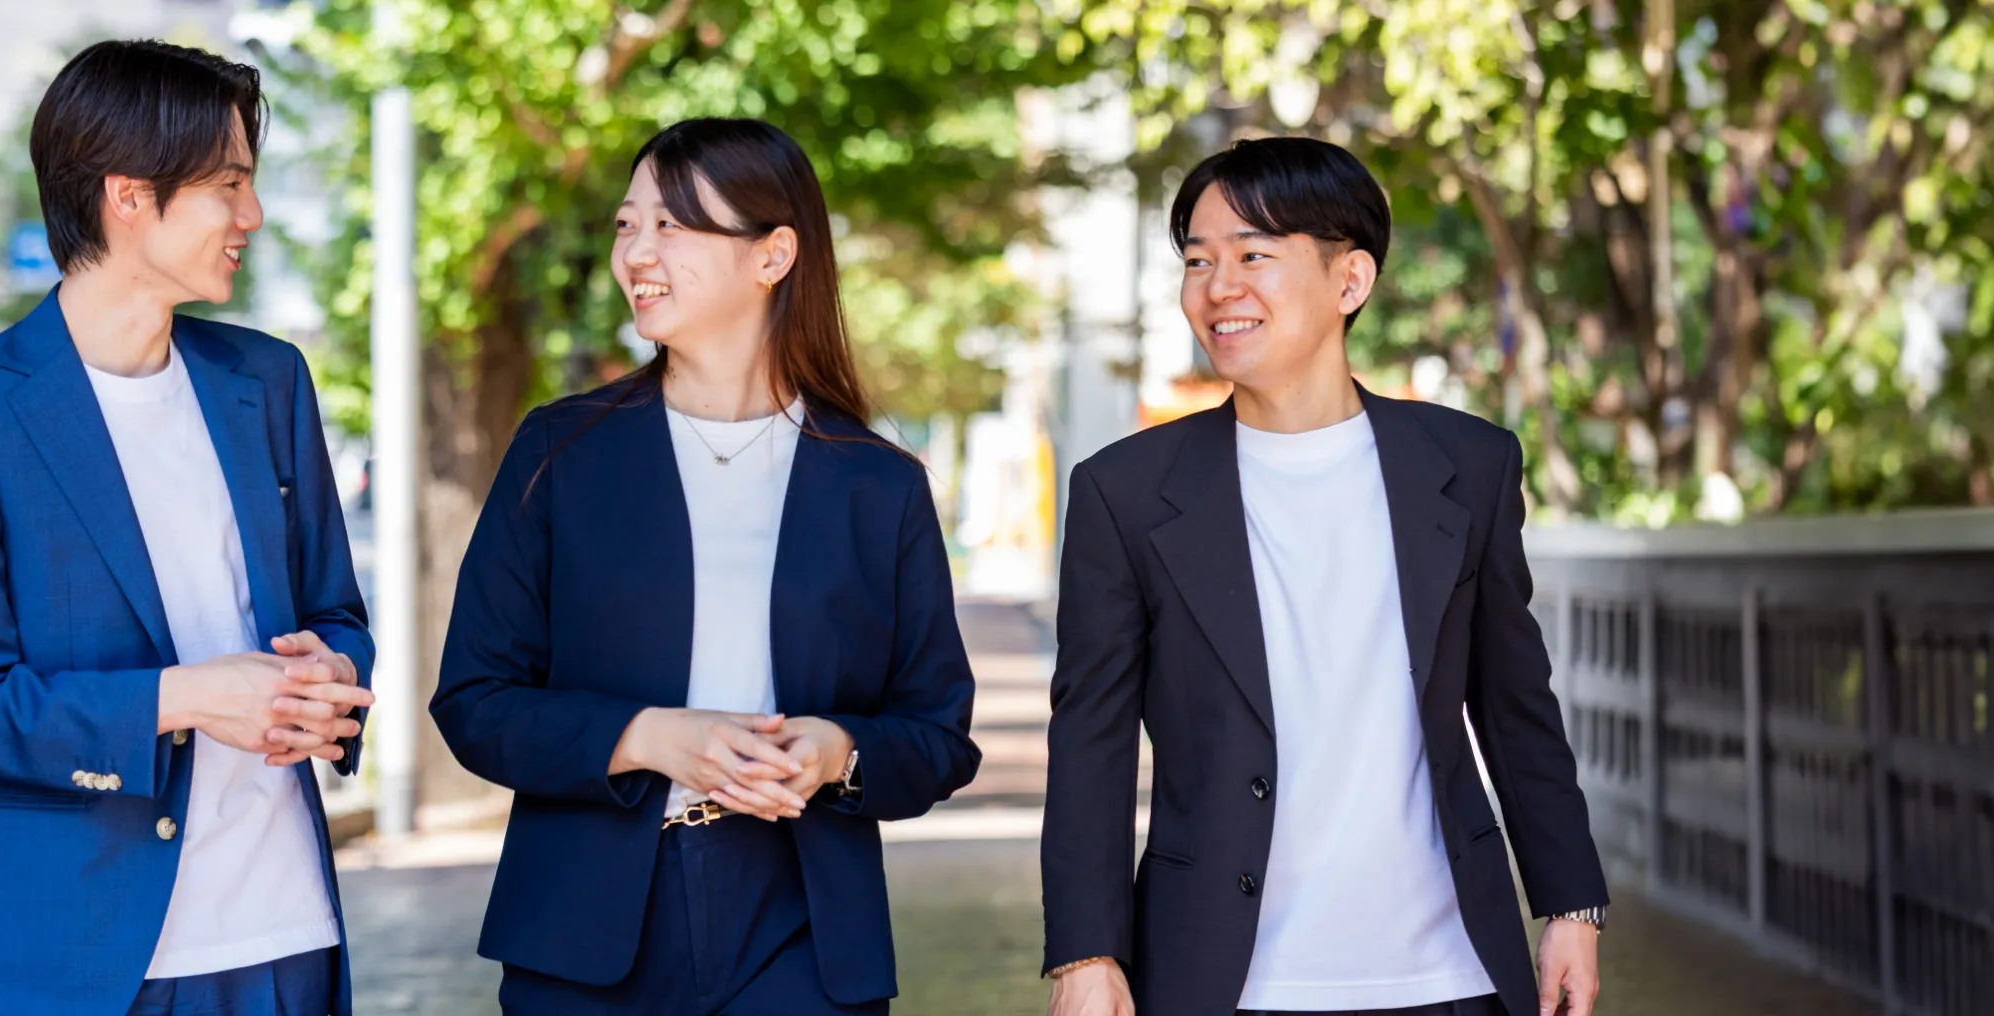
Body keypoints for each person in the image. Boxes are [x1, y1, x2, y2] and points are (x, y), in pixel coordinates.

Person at [1040, 137, 1608, 1016]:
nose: (1217, 287)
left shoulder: (1467, 465)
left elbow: (1515, 704)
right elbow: (1092, 742)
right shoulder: (1126, 493)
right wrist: (1086, 954)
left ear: (1350, 282)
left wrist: (1571, 903)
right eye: (1198, 259)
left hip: (1450, 973)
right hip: (1224, 977)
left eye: (1253, 256)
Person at [431, 118, 983, 1016]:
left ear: (774, 255)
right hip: (584, 933)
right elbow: (476, 702)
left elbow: (937, 736)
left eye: (672, 226)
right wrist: (649, 737)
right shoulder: (561, 451)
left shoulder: (876, 485)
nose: (637, 252)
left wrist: (837, 751)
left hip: (804, 930)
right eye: (626, 224)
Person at [0, 39, 375, 1016]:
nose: (253, 214)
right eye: (228, 183)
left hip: (284, 929)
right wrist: (185, 696)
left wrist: (334, 669)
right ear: (128, 195)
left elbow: (334, 605)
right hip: (83, 955)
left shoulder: (266, 381)